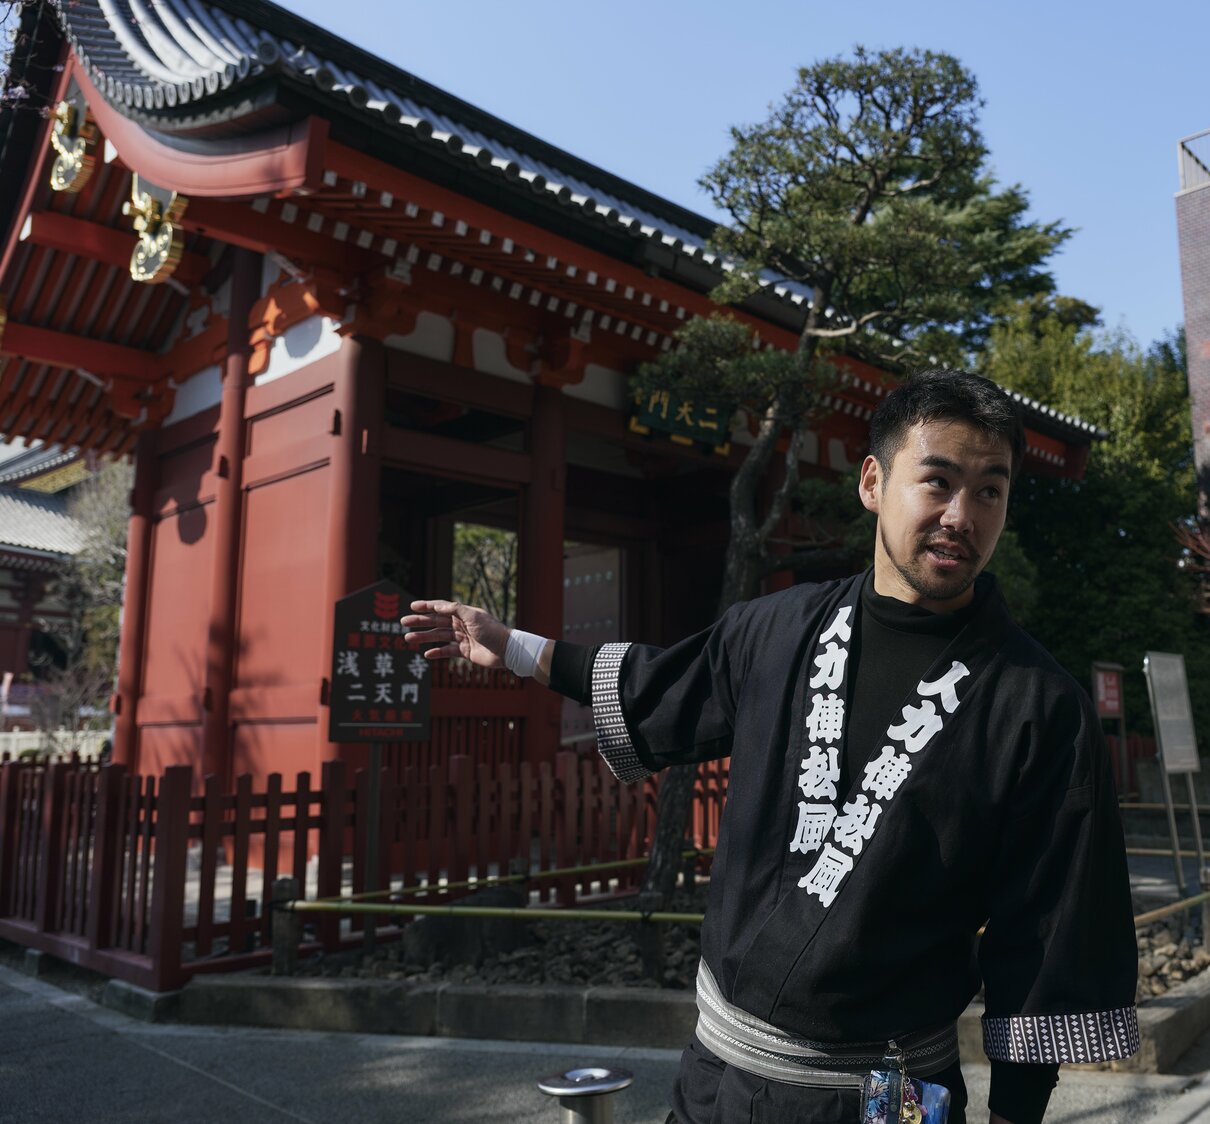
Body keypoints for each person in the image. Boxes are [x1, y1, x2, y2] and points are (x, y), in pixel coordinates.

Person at [403, 369, 1138, 1123]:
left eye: (989, 490)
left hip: (886, 1096)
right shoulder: (778, 629)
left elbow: (1048, 936)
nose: (961, 514)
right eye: (938, 481)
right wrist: (517, 648)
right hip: (716, 1077)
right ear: (873, 482)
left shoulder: (1040, 707)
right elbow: (662, 685)